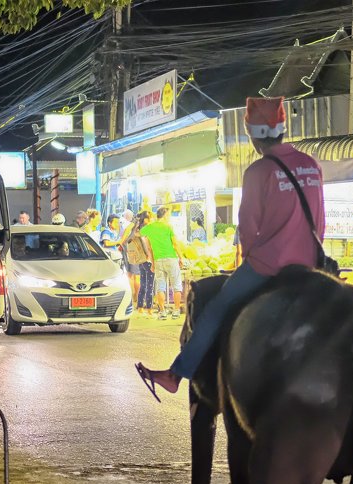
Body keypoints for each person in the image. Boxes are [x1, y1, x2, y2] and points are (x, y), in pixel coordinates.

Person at [135, 96, 326, 398]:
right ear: (283, 129)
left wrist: (252, 257)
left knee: (216, 309)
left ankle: (176, 373)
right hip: (310, 266)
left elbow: (248, 229)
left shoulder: (258, 171)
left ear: (252, 134)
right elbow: (320, 220)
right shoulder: (311, 165)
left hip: (269, 265)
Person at [141, 206, 185, 319]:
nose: (169, 217)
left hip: (158, 260)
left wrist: (152, 261)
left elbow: (141, 235)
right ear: (165, 215)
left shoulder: (150, 227)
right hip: (171, 258)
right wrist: (181, 257)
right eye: (169, 215)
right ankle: (176, 311)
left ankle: (162, 311)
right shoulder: (168, 227)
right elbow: (175, 244)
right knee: (176, 285)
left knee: (160, 286)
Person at [131, 211, 157, 317]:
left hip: (140, 260)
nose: (152, 220)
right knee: (150, 285)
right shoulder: (148, 232)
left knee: (143, 284)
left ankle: (140, 307)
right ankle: (149, 309)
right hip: (148, 260)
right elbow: (150, 248)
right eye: (150, 218)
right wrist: (154, 263)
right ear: (146, 219)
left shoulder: (138, 230)